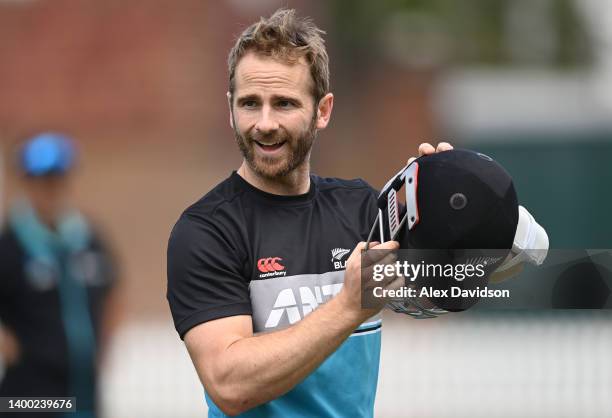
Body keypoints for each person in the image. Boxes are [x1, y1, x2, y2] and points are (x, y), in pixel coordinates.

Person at [166, 8, 452, 417]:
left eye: (283, 103)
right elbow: (229, 384)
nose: (264, 124)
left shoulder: (362, 210)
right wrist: (347, 306)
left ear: (322, 110)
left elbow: (449, 292)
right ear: (230, 107)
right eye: (250, 103)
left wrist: (455, 205)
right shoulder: (207, 231)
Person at [0, 133, 121, 418]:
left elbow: (113, 287)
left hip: (83, 385)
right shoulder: (10, 244)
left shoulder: (87, 237)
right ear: (26, 182)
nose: (50, 189)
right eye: (41, 180)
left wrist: (105, 344)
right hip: (29, 391)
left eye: (56, 179)